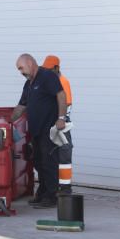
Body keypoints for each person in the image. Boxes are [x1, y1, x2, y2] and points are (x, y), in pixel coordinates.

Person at [12, 53, 67, 208]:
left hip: (48, 129)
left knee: (48, 162)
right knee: (38, 162)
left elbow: (61, 95)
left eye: (21, 68)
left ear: (30, 63)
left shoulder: (47, 76)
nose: (20, 72)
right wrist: (8, 121)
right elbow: (21, 106)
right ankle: (42, 193)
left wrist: (61, 118)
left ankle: (51, 196)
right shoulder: (29, 83)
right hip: (35, 131)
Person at [42, 55, 73, 195]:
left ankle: (65, 188)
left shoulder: (62, 81)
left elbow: (66, 104)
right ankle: (55, 186)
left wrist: (60, 120)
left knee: (64, 154)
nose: (47, 72)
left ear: (56, 67)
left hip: (61, 126)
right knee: (53, 156)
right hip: (54, 125)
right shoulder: (52, 81)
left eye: (49, 69)